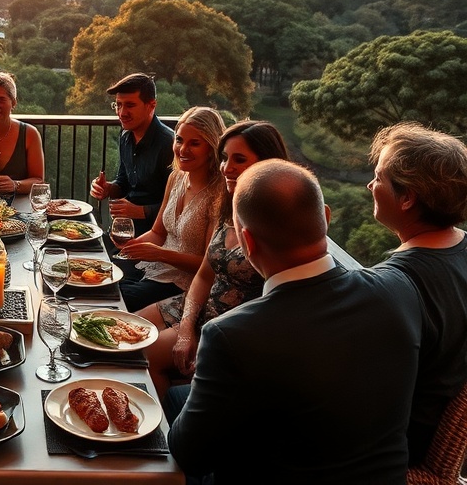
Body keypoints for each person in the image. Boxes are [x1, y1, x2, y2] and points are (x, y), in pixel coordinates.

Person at [169, 159, 423, 484]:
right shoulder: (400, 288)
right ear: (326, 219)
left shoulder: (233, 335)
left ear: (247, 242)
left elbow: (190, 454)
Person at [136, 121, 289, 398]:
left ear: (267, 163)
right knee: (129, 328)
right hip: (196, 306)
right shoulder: (231, 207)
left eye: (239, 159)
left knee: (144, 354)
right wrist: (185, 329)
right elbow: (205, 274)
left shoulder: (277, 224)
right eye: (225, 158)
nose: (227, 168)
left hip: (228, 325)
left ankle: (162, 430)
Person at [368, 122, 467, 466]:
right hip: (433, 437)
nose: (370, 185)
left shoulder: (393, 283)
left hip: (394, 449)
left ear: (407, 197)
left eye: (379, 178)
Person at [117, 106, 225, 311]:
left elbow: (208, 265)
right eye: (179, 140)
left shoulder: (218, 194)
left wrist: (160, 254)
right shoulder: (176, 177)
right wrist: (131, 246)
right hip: (155, 268)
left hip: (184, 283)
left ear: (212, 147)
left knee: (119, 299)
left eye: (195, 143)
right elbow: (158, 233)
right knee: (102, 279)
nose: (183, 149)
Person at [90, 72, 175, 237]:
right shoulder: (126, 136)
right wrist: (108, 188)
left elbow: (180, 204)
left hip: (156, 237)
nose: (122, 113)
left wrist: (143, 211)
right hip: (125, 230)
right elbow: (123, 183)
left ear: (151, 105)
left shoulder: (170, 144)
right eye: (118, 105)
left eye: (130, 105)